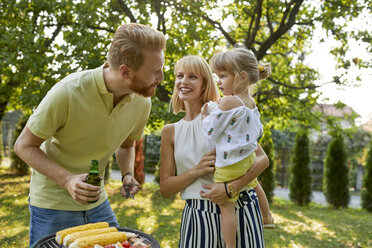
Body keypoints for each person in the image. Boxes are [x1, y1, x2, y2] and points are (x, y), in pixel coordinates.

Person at [14, 23, 166, 247]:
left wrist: (127, 174)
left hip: (97, 204)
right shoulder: (66, 92)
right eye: (155, 71)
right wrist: (67, 180)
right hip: (52, 205)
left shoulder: (142, 101)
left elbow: (126, 145)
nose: (161, 77)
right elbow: (24, 146)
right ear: (125, 71)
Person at [159, 55, 269, 248]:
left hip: (240, 209)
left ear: (205, 83)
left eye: (193, 76)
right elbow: (166, 189)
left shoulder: (223, 116)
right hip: (197, 214)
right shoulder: (170, 131)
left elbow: (261, 159)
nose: (183, 81)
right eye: (179, 76)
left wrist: (230, 189)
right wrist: (196, 170)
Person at [201, 48, 274, 248]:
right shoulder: (250, 103)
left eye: (223, 76)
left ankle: (230, 245)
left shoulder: (227, 101)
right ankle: (267, 216)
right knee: (254, 183)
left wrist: (204, 115)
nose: (219, 81)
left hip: (229, 164)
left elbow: (211, 130)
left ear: (241, 77)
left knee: (227, 207)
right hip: (247, 159)